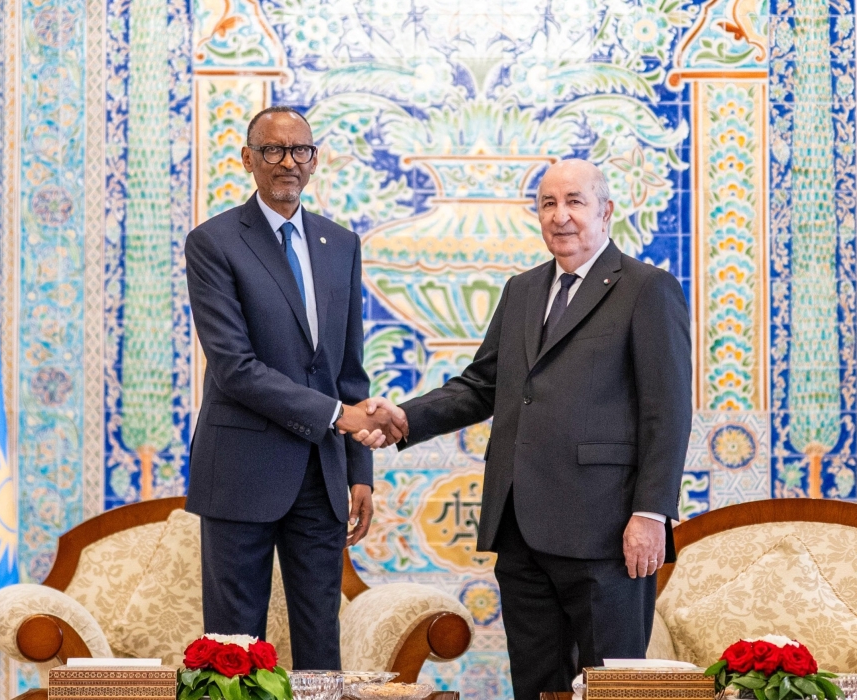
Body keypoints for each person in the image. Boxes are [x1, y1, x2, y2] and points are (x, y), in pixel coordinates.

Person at [362, 159, 692, 699]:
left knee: (613, 689)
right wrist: (404, 418)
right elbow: (481, 386)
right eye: (548, 204)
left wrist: (650, 514)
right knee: (536, 687)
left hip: (606, 532)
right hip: (520, 531)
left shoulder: (646, 289)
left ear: (606, 212)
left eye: (575, 202)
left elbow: (668, 411)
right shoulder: (522, 289)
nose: (560, 216)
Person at [184, 105, 403, 669]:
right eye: (274, 150)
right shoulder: (213, 243)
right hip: (241, 470)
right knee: (234, 650)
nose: (288, 163)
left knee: (319, 645)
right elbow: (235, 367)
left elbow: (350, 370)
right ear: (248, 159)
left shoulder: (341, 244)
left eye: (300, 151)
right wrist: (340, 416)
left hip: (322, 475)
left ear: (314, 160)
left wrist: (360, 472)